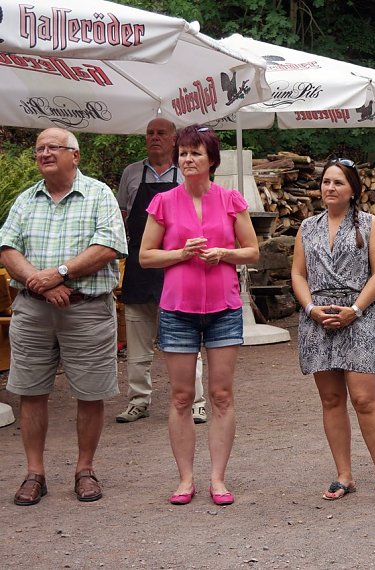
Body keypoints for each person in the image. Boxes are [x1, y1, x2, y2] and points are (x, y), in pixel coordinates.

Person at [0, 128, 127, 505]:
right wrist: (41, 284)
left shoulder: (99, 194)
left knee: (90, 393)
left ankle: (84, 470)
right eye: (39, 148)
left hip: (87, 309)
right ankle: (34, 473)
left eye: (53, 147)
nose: (44, 153)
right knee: (31, 391)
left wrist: (59, 274)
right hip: (33, 310)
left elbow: (109, 246)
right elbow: (7, 247)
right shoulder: (26, 199)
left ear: (75, 155)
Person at [138, 125, 258, 506]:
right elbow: (145, 256)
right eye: (184, 153)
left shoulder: (231, 200)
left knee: (221, 395)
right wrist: (181, 254)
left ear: (211, 160)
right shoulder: (163, 202)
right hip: (177, 311)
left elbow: (252, 251)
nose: (187, 159)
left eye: (195, 153)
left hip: (224, 308)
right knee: (181, 396)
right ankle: (185, 478)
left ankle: (218, 479)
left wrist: (223, 253)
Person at [291, 158, 375, 505]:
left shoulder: (369, 224)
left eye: (338, 182)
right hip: (318, 318)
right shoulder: (307, 226)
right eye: (326, 182)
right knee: (331, 399)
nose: (330, 188)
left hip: (359, 315)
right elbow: (298, 273)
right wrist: (311, 309)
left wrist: (355, 310)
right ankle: (344, 475)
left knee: (364, 399)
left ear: (353, 189)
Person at [115, 117, 207, 424]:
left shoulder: (187, 173)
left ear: (174, 139)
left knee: (186, 341)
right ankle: (138, 401)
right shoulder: (131, 173)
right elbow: (122, 219)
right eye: (150, 133)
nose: (154, 137)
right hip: (140, 267)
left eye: (161, 133)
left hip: (180, 267)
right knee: (137, 344)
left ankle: (196, 401)